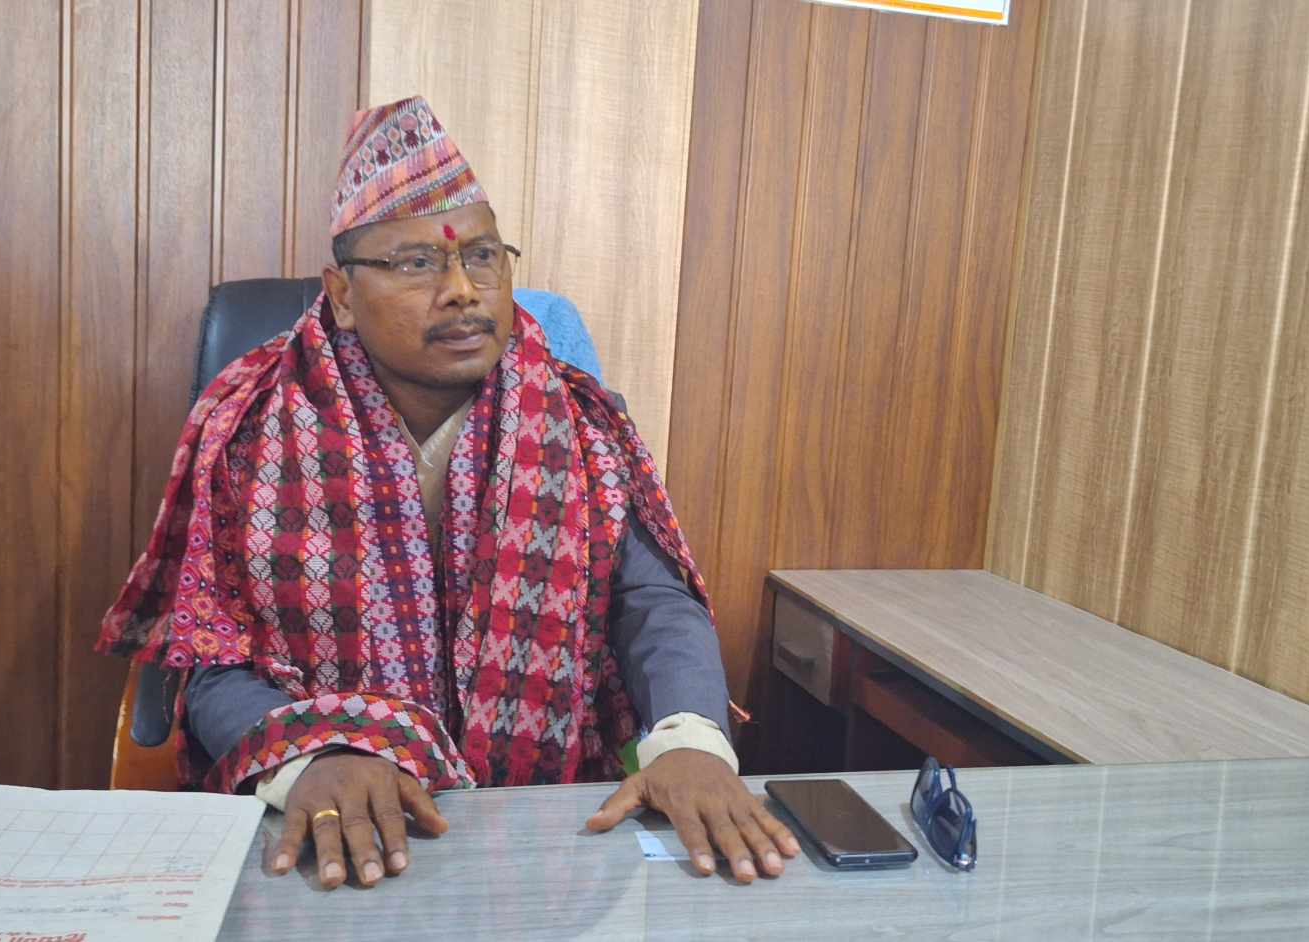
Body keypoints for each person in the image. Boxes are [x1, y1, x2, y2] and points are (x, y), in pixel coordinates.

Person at [96, 96, 797, 890]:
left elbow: (652, 603)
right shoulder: (249, 427)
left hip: (544, 831)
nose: (464, 289)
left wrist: (689, 743)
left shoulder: (579, 421)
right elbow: (211, 655)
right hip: (327, 828)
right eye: (417, 264)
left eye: (484, 257)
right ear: (342, 294)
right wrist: (310, 758)